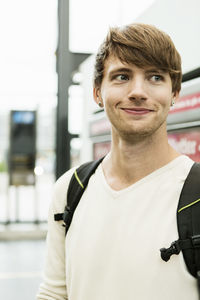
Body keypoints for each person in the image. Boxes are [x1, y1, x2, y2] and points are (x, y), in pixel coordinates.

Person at [37, 23, 198, 300]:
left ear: (174, 93)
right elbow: (54, 293)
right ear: (97, 92)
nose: (137, 91)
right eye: (122, 76)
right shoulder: (71, 189)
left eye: (155, 77)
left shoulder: (195, 193)